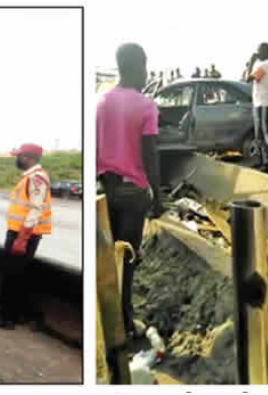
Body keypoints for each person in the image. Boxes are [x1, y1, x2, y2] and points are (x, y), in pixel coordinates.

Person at [97, 43, 162, 338]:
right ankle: (123, 325)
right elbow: (150, 156)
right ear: (138, 67)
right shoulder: (146, 105)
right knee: (127, 261)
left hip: (105, 192)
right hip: (133, 193)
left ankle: (107, 320)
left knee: (109, 259)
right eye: (145, 66)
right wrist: (158, 196)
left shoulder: (101, 101)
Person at [0, 143, 52, 330]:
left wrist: (22, 239)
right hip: (21, 233)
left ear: (28, 157)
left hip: (23, 234)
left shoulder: (36, 178)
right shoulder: (30, 177)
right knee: (16, 276)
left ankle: (4, 317)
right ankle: (15, 315)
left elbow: (35, 209)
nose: (16, 159)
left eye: (19, 156)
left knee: (11, 277)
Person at [245, 43, 268, 173]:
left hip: (264, 103)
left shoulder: (265, 66)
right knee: (259, 135)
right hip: (261, 102)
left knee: (265, 135)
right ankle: (261, 161)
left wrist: (251, 61)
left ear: (264, 51)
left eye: (258, 52)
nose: (257, 54)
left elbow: (247, 79)